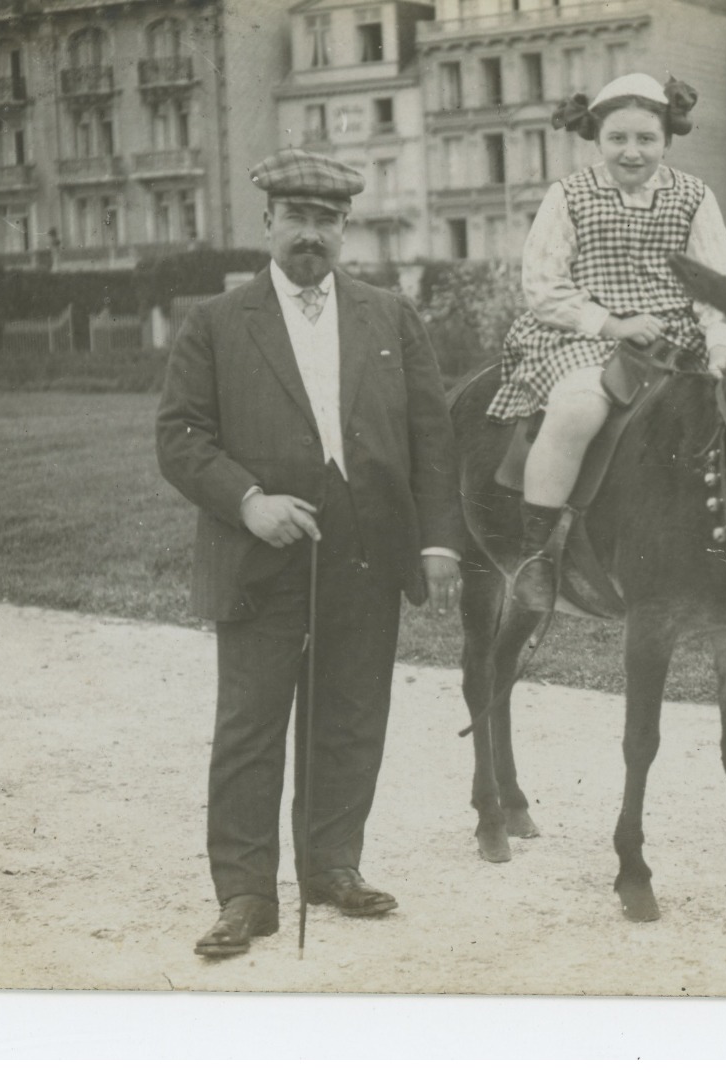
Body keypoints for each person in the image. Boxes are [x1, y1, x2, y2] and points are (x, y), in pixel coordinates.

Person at [157, 148, 463, 958]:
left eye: (325, 220)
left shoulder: (389, 315)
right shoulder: (217, 323)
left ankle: (333, 864)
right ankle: (246, 895)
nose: (310, 234)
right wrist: (248, 502)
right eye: (295, 216)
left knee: (351, 717)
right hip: (259, 559)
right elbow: (180, 437)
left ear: (344, 229)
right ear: (267, 223)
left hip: (366, 554)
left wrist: (436, 538)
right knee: (251, 726)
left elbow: (432, 437)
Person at [492, 72, 726, 640]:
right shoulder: (569, 196)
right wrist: (610, 321)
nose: (631, 152)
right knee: (578, 409)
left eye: (645, 139)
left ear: (665, 140)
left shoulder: (692, 195)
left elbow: (717, 281)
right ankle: (538, 557)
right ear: (597, 139)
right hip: (584, 334)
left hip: (675, 341)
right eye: (617, 139)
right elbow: (543, 283)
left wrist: (719, 345)